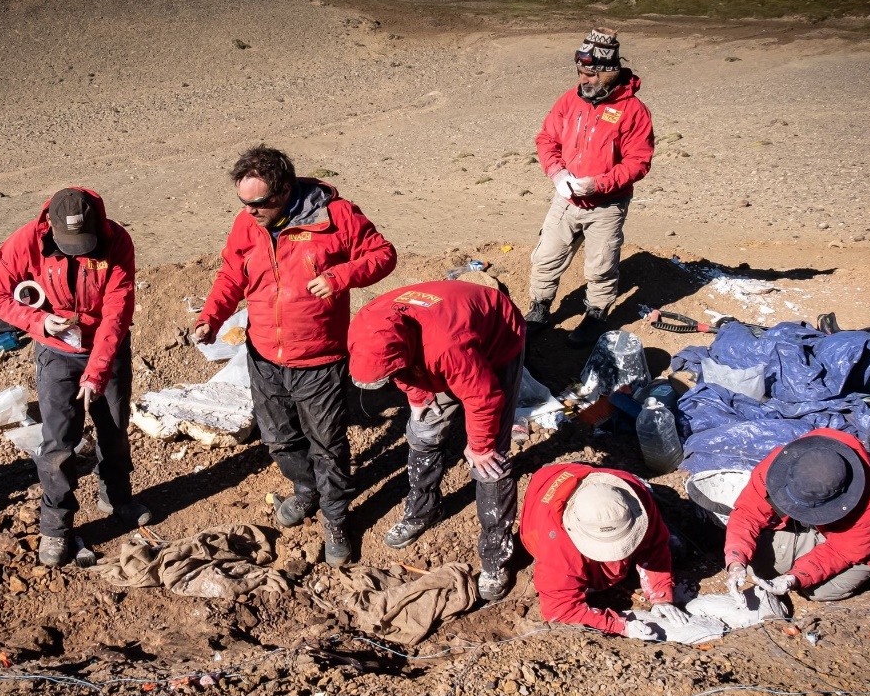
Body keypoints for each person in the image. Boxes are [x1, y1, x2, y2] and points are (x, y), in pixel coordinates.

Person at [195, 146, 397, 567]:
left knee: (327, 445)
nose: (250, 211)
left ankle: (337, 518)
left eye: (259, 203)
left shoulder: (334, 215)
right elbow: (233, 274)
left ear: (284, 190)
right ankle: (307, 492)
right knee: (279, 440)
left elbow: (382, 255)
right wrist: (211, 317)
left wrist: (341, 276)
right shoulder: (247, 225)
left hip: (319, 359)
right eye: (243, 203)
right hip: (264, 354)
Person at [0, 187, 144, 567]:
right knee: (58, 442)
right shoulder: (24, 242)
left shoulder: (116, 241)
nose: (79, 251)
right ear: (50, 228)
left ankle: (116, 497)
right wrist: (39, 320)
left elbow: (117, 312)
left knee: (114, 429)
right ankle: (56, 526)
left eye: (84, 243)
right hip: (56, 354)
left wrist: (97, 371)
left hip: (108, 350)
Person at [347, 280, 524, 601]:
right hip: (435, 345)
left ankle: (496, 558)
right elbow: (399, 369)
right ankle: (424, 509)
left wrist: (480, 447)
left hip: (497, 335)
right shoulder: (366, 326)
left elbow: (485, 397)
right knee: (422, 431)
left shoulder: (448, 347)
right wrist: (417, 398)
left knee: (490, 465)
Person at [526, 28, 655, 347]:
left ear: (608, 72)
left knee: (600, 266)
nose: (583, 80)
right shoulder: (570, 100)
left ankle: (596, 316)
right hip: (567, 199)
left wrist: (599, 183)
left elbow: (639, 161)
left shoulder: (633, 111)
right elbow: (546, 139)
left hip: (607, 205)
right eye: (580, 73)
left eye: (590, 74)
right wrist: (557, 173)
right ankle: (539, 309)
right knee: (546, 257)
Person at [724, 429, 870, 603]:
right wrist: (735, 562)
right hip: (820, 527)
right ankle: (810, 543)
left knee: (817, 590)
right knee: (757, 566)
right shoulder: (783, 463)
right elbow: (748, 513)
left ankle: (865, 569)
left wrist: (794, 578)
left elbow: (842, 551)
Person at [520, 463, 688, 641]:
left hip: (584, 473)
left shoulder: (635, 494)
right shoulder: (556, 545)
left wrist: (661, 596)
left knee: (676, 548)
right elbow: (559, 610)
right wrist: (618, 625)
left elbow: (654, 546)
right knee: (588, 583)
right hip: (545, 491)